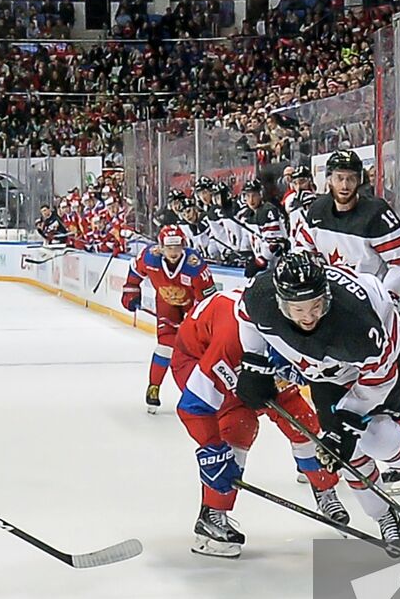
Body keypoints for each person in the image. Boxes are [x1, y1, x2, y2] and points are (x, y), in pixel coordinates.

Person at [235, 253, 400, 555]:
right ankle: (383, 514)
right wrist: (253, 361)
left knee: (377, 436)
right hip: (325, 372)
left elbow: (380, 378)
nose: (308, 317)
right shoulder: (262, 295)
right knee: (347, 456)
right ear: (281, 303)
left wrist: (349, 418)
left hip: (383, 362)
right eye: (298, 309)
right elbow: (245, 315)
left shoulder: (357, 326)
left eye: (316, 306)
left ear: (327, 296)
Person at [172, 288, 349, 557]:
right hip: (197, 359)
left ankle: (324, 489)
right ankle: (211, 515)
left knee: (303, 422)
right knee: (238, 426)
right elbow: (193, 407)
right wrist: (212, 448)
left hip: (255, 360)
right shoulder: (232, 342)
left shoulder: (291, 321)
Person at [294, 149, 400, 295]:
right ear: (329, 179)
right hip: (332, 301)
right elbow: (303, 250)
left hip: (370, 302)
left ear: (359, 180)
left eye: (351, 178)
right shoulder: (318, 209)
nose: (345, 186)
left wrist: (384, 298)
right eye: (339, 178)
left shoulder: (376, 213)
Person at [122, 224, 217, 413]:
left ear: (184, 245)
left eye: (177, 247)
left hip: (193, 307)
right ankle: (153, 387)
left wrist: (195, 322)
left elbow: (208, 300)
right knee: (165, 346)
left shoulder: (194, 264)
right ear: (160, 247)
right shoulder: (149, 257)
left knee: (198, 351)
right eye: (169, 247)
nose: (173, 252)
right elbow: (134, 273)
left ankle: (201, 393)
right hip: (166, 305)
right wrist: (131, 292)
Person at [235, 178, 286, 276]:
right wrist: (246, 256)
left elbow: (274, 244)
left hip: (278, 264)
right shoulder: (247, 215)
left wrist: (260, 262)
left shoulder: (268, 211)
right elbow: (247, 242)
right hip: (265, 266)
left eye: (254, 195)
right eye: (248, 196)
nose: (251, 200)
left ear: (260, 195)